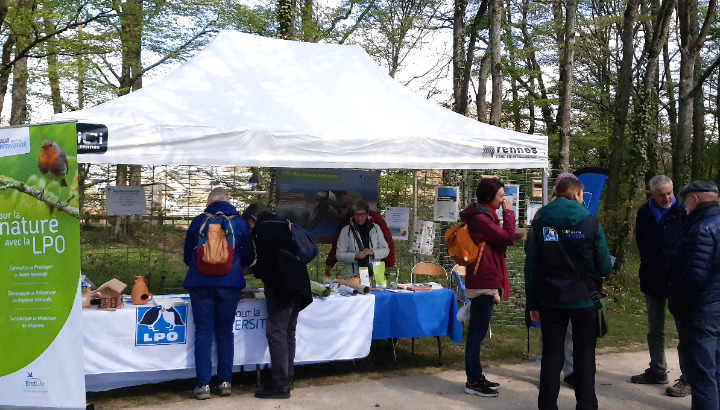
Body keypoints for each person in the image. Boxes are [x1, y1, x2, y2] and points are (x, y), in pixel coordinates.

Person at [524, 177, 612, 410]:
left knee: (552, 356)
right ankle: (586, 405)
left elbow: (531, 266)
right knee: (585, 356)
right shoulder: (591, 222)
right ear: (577, 195)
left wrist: (532, 304)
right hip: (584, 298)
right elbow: (604, 266)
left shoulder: (540, 220)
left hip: (550, 299)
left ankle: (547, 406)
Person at [182, 187, 254, 400]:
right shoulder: (239, 223)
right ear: (228, 201)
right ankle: (225, 382)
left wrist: (201, 267)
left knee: (203, 332)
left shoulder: (198, 222)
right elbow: (249, 257)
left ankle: (203, 385)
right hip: (229, 285)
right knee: (224, 332)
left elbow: (188, 255)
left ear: (209, 201)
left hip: (200, 284)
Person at [241, 203, 312, 399]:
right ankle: (288, 379)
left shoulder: (264, 228)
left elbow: (267, 262)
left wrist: (250, 270)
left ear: (253, 218)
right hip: (299, 283)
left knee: (276, 331)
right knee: (288, 331)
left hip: (283, 286)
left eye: (248, 225)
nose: (249, 229)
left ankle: (281, 386)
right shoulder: (282, 223)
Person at [630, 175, 689, 397]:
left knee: (685, 330)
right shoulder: (644, 213)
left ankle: (688, 377)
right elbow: (642, 244)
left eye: (669, 193)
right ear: (652, 195)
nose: (666, 198)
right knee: (655, 329)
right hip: (653, 277)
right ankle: (658, 369)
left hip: (679, 280)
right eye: (661, 195)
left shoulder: (684, 212)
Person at [460, 177, 516, 397]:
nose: (504, 200)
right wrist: (508, 213)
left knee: (478, 332)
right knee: (476, 334)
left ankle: (476, 375)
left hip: (483, 279)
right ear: (487, 198)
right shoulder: (482, 220)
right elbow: (508, 238)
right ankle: (473, 381)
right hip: (483, 281)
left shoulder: (484, 216)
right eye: (501, 196)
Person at [669, 180, 720, 409]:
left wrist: (677, 304)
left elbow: (694, 277)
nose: (683, 206)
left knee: (703, 379)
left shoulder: (701, 229)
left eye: (685, 200)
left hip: (702, 313)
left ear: (695, 199)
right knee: (716, 376)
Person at [325, 191, 395, 276]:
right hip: (355, 271)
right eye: (346, 204)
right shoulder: (346, 223)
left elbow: (387, 243)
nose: (348, 206)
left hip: (376, 269)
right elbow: (338, 247)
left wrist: (387, 262)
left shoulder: (375, 222)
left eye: (350, 203)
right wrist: (330, 263)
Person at [335, 200, 390, 280]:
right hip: (354, 275)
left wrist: (372, 252)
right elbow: (339, 255)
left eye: (362, 214)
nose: (359, 218)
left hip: (376, 274)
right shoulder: (346, 231)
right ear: (353, 215)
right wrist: (355, 256)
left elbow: (386, 250)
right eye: (357, 215)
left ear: (367, 214)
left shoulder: (376, 228)